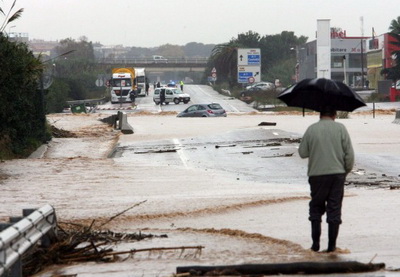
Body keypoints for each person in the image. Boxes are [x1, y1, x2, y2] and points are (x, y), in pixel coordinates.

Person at [298, 106, 354, 253]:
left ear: (320, 115)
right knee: (334, 209)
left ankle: (315, 245)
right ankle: (331, 247)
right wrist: (345, 172)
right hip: (337, 175)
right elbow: (349, 155)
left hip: (316, 175)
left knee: (316, 208)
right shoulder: (341, 128)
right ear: (335, 115)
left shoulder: (311, 129)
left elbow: (302, 153)